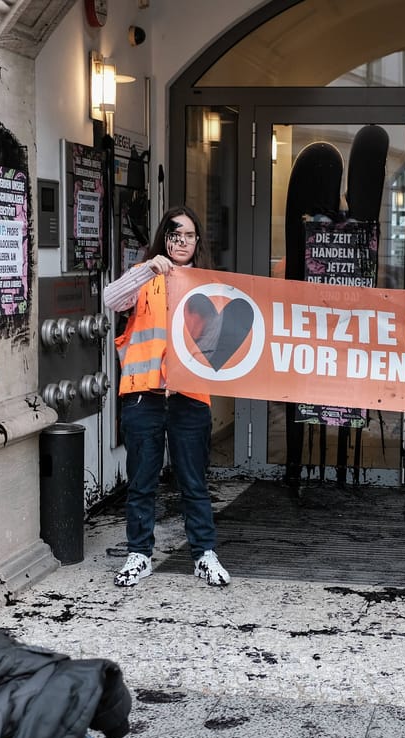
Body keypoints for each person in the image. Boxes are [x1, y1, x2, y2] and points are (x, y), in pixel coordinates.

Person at [102, 206, 230, 588]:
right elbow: (111, 298)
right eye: (174, 235)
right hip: (144, 396)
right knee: (142, 481)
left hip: (189, 397)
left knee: (194, 482)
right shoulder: (143, 277)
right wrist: (147, 269)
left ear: (197, 241)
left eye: (188, 235)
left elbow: (218, 342)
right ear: (164, 239)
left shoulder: (206, 284)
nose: (181, 242)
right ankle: (138, 555)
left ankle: (204, 555)